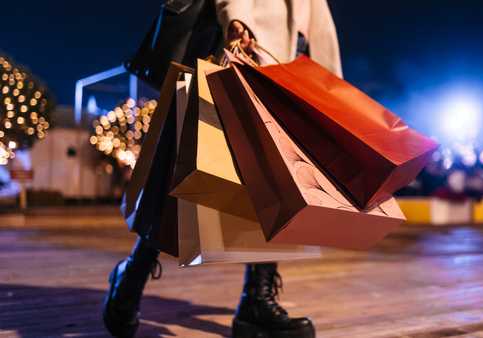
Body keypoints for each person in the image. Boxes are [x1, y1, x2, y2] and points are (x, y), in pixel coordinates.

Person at [102, 1, 342, 337]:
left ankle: (256, 301)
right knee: (179, 174)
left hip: (288, 58)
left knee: (273, 185)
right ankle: (131, 277)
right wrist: (236, 16)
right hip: (237, 42)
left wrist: (326, 76)